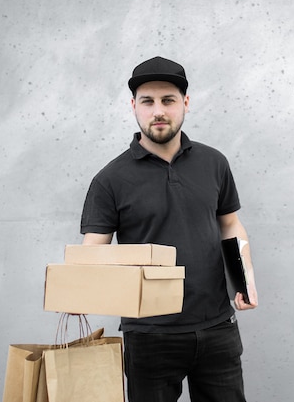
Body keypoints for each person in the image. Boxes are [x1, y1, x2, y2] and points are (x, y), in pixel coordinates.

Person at [80, 56, 258, 402]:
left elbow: (230, 224)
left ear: (185, 104)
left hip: (217, 327)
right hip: (149, 336)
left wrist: (243, 279)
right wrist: (76, 290)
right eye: (147, 101)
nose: (158, 111)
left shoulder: (214, 163)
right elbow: (93, 251)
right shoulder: (110, 179)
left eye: (168, 100)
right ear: (134, 106)